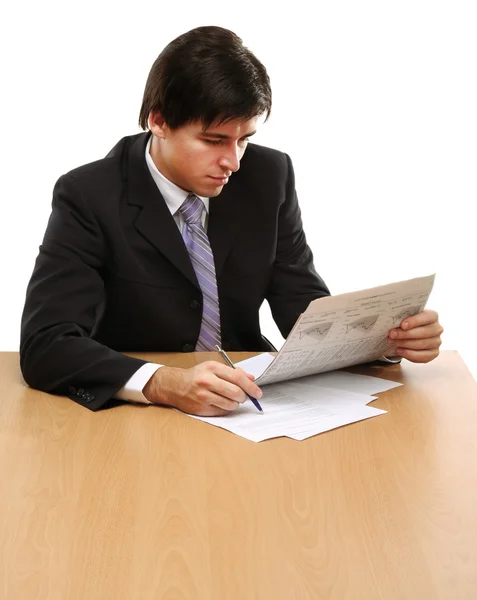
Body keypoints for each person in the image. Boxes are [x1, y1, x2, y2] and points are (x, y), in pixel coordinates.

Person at [20, 26, 443, 416]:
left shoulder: (269, 176)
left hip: (248, 402)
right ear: (158, 121)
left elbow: (302, 308)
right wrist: (162, 382)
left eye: (245, 139)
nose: (233, 161)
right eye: (214, 140)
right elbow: (46, 343)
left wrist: (385, 341)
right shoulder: (88, 194)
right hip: (136, 416)